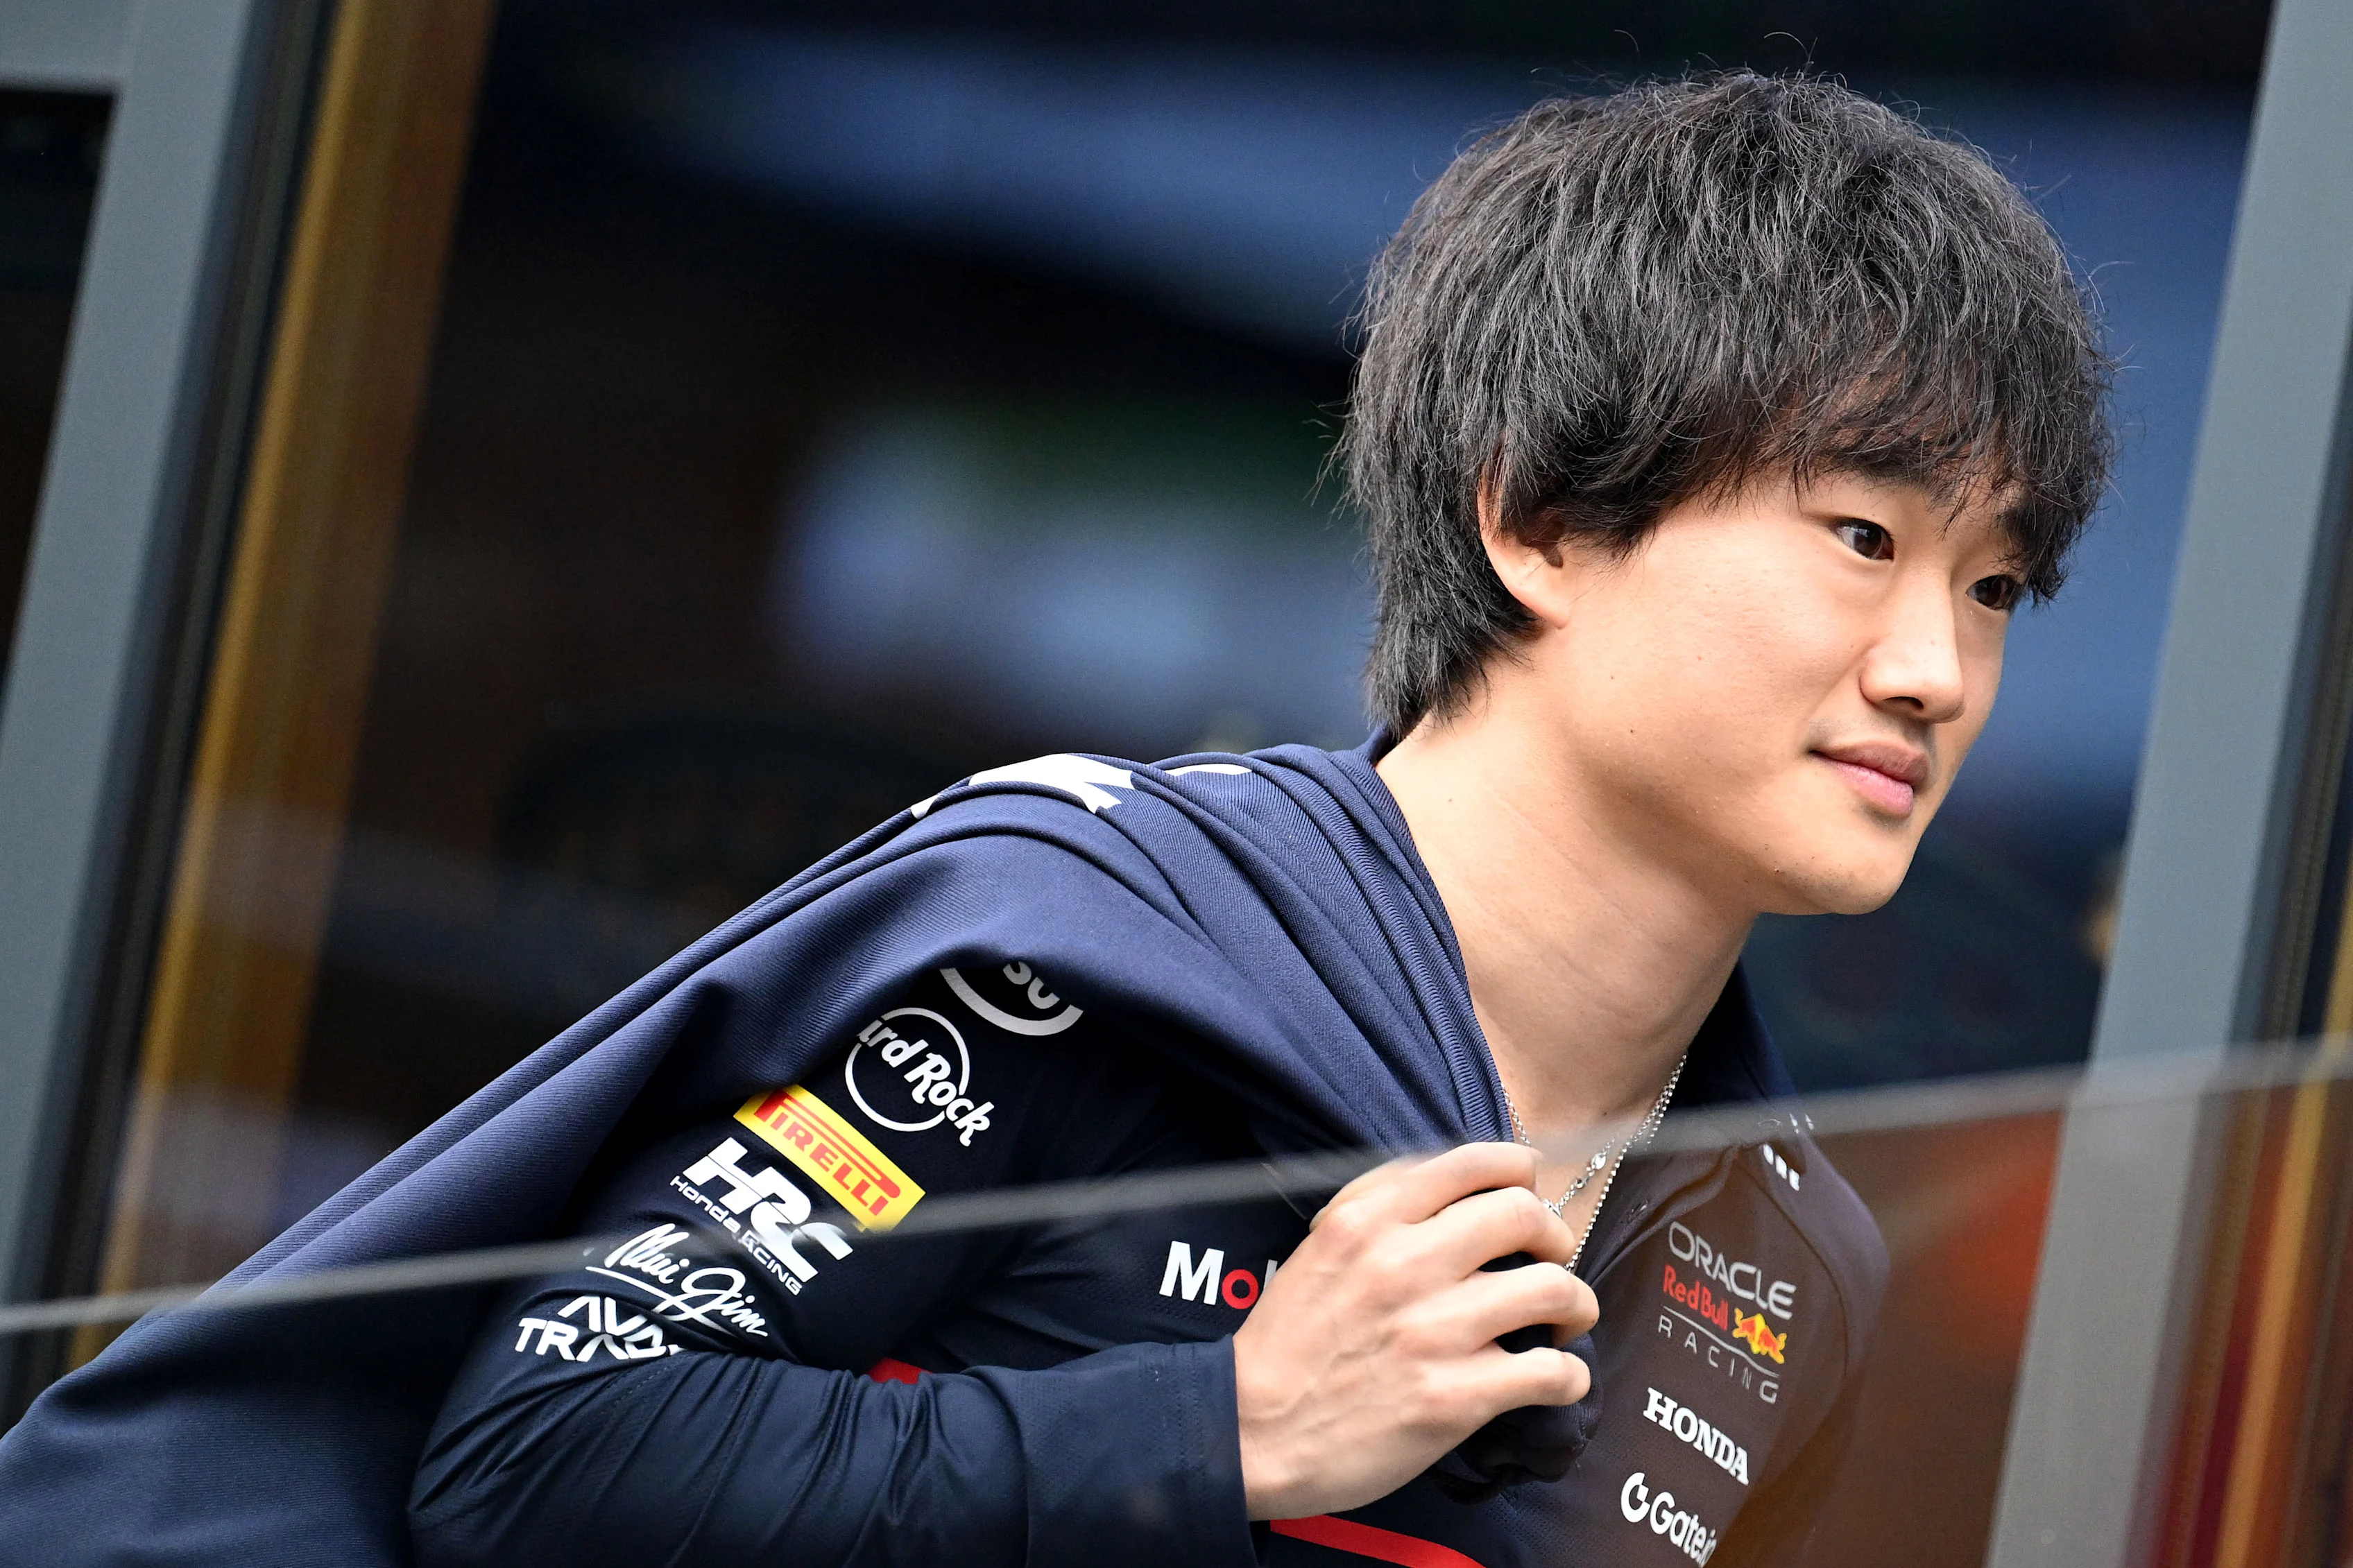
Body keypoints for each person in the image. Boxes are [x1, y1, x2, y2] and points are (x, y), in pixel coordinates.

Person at [0, 73, 2108, 1568]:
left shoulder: (1786, 1261)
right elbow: (534, 1452)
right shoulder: (1088, 964)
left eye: (1998, 586)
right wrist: (1228, 1429)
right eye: (1862, 535)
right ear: (1547, 519)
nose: (1940, 664)